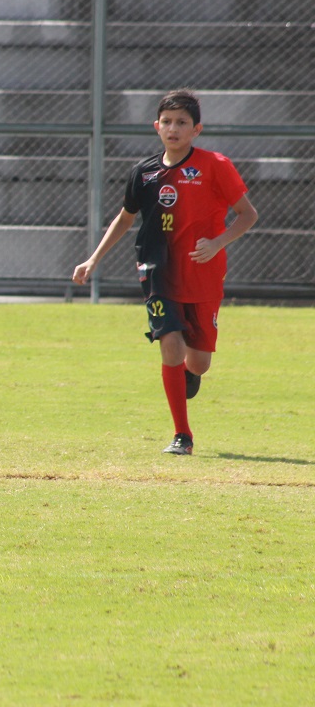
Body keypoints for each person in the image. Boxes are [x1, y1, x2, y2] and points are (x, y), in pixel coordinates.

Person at [72, 90, 259, 456]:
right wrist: (93, 259)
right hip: (157, 270)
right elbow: (126, 218)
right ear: (156, 127)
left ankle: (189, 375)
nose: (173, 128)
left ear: (196, 129)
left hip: (203, 274)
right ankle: (182, 435)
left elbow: (247, 214)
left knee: (199, 362)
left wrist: (218, 242)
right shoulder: (143, 173)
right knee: (170, 346)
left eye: (182, 122)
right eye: (167, 122)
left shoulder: (215, 165)